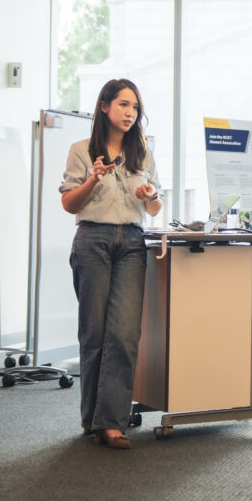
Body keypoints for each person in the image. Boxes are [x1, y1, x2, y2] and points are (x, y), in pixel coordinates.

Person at [60, 79, 162, 449]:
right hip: (93, 241)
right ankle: (93, 419)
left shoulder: (143, 152)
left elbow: (154, 208)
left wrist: (150, 195)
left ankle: (112, 422)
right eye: (122, 104)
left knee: (124, 334)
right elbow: (70, 203)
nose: (130, 112)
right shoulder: (81, 150)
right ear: (104, 107)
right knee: (95, 333)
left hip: (132, 243)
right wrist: (92, 179)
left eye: (135, 107)